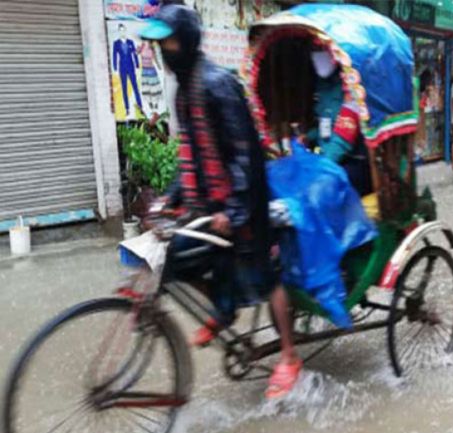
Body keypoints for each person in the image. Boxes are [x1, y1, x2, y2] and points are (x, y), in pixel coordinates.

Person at [140, 4, 302, 399]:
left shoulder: (217, 84)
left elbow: (244, 153)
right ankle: (225, 307)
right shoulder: (185, 91)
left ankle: (289, 355)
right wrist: (170, 199)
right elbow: (192, 154)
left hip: (244, 199)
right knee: (176, 258)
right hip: (211, 204)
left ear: (189, 42)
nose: (166, 51)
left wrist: (235, 210)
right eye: (162, 45)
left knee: (268, 275)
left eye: (171, 42)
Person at [304, 47, 370, 195]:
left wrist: (325, 166)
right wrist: (306, 137)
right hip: (326, 157)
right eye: (314, 54)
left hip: (352, 160)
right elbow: (324, 124)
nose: (317, 59)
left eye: (322, 53)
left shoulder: (349, 85)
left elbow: (344, 136)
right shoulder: (321, 87)